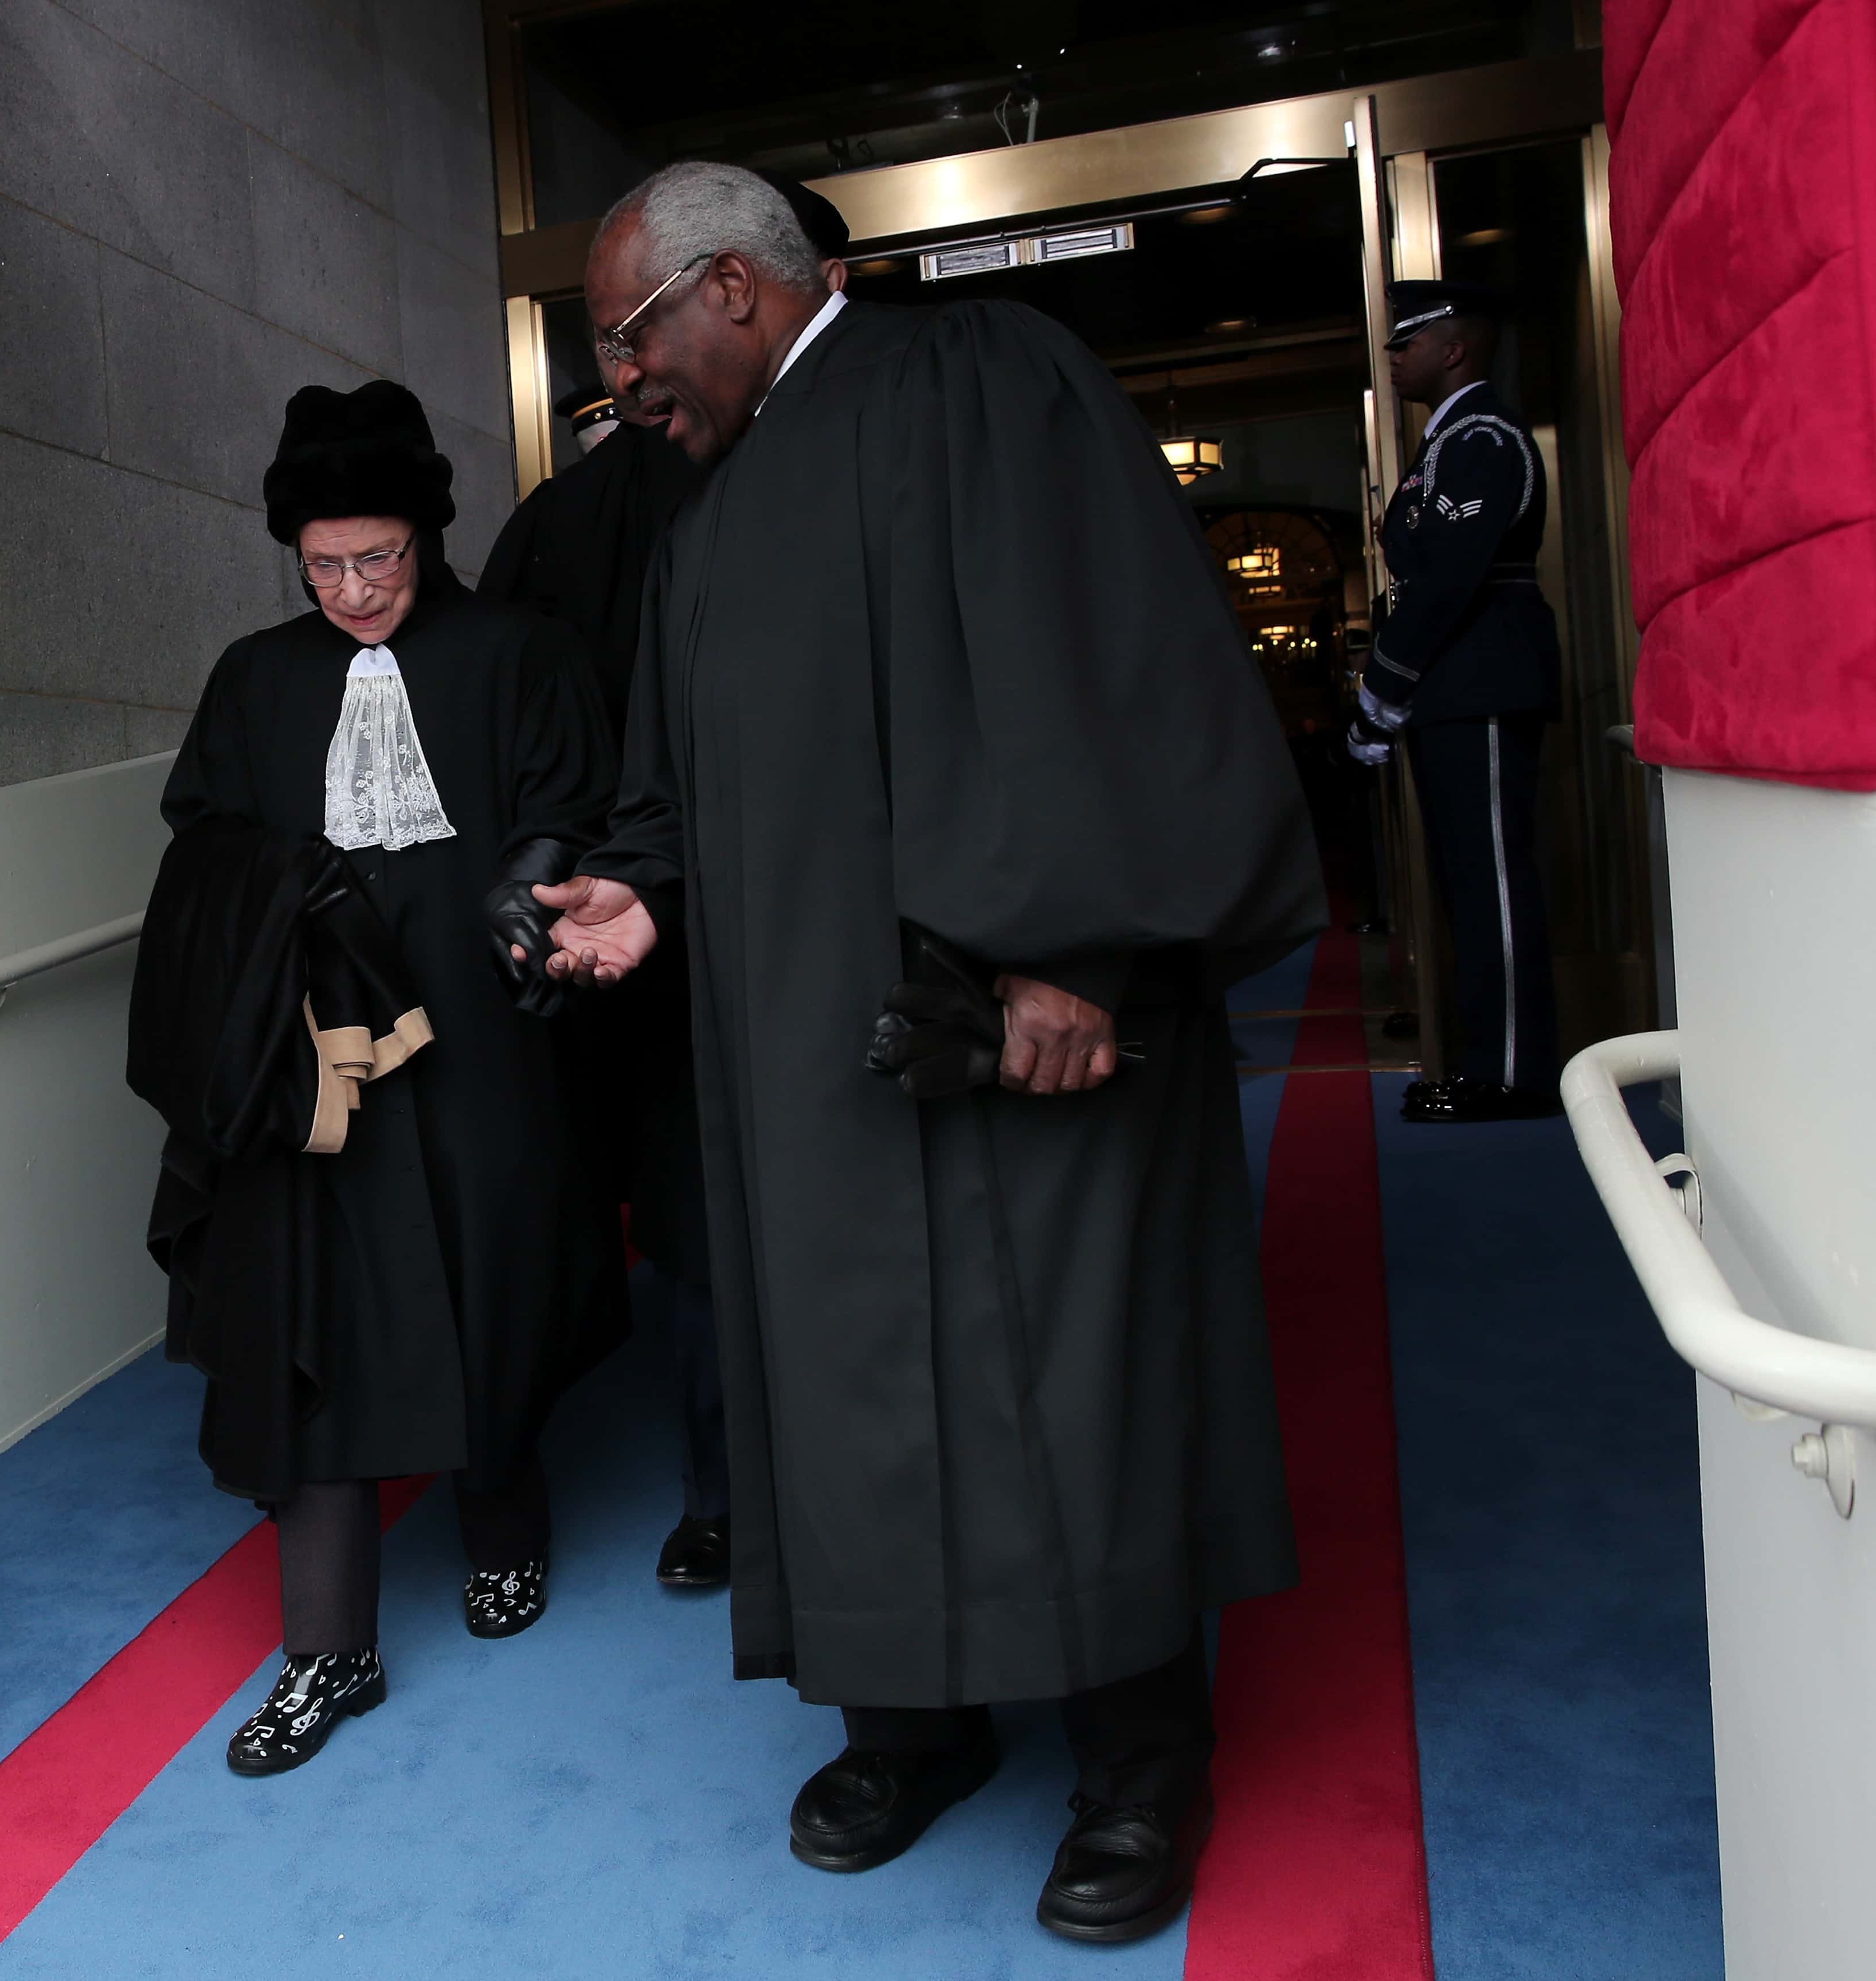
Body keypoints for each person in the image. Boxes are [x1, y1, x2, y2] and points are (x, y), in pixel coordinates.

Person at [523, 162, 1322, 1943]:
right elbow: (688, 786)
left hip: (1022, 1029)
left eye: (628, 339)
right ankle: (917, 1720)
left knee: (1072, 1378)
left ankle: (1138, 1759)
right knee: (850, 1392)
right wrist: (639, 895)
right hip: (812, 1064)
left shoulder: (978, 376)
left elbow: (1093, 665)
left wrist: (1070, 951)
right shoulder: (702, 520)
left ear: (734, 287)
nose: (624, 385)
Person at [135, 380, 625, 1777]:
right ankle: (327, 1648)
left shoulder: (522, 652)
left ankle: (503, 1526)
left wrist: (528, 887)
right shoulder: (254, 677)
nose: (356, 590)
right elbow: (200, 846)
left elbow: (573, 808)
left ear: (428, 535)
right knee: (315, 1329)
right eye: (327, 565)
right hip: (318, 1065)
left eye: (383, 558)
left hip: (483, 1045)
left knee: (495, 1294)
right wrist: (287, 897)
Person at [472, 168, 853, 1591]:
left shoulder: (826, 468)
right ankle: (737, 1496)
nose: (633, 375)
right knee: (706, 1228)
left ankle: (744, 1505)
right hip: (670, 932)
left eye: (637, 337)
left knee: (740, 1224)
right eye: (619, 349)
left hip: (747, 922)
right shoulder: (589, 521)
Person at [1346, 280, 1564, 1123]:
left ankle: (1513, 1074)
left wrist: (1382, 691)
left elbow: (1443, 581)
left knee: (1494, 884)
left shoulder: (1482, 438)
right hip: (1458, 683)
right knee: (1469, 882)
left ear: (1456, 347)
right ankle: (1490, 1063)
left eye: (1409, 339)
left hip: (1482, 679)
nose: (1395, 355)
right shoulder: (1449, 441)